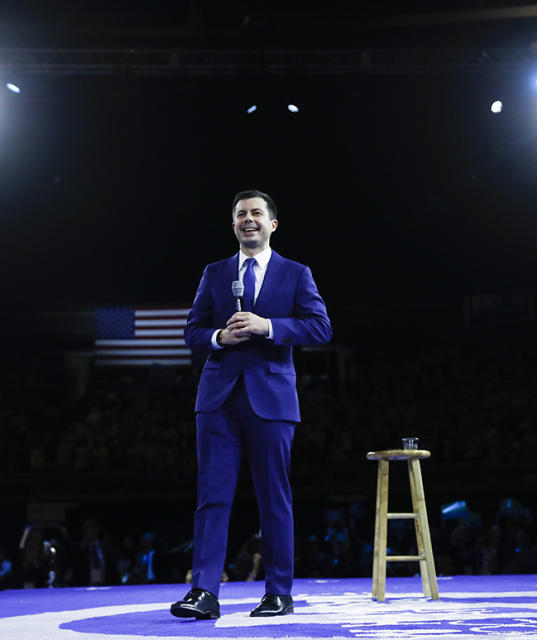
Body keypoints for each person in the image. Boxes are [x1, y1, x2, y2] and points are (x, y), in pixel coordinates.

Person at [170, 189, 332, 620]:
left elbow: (320, 328)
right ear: (234, 224)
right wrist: (219, 338)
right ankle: (204, 592)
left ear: (272, 224)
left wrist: (268, 326)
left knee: (273, 498)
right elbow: (192, 332)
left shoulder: (296, 274)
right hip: (218, 399)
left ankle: (278, 592)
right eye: (241, 214)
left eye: (257, 213)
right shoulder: (215, 272)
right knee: (212, 498)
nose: (249, 219)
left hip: (272, 400)